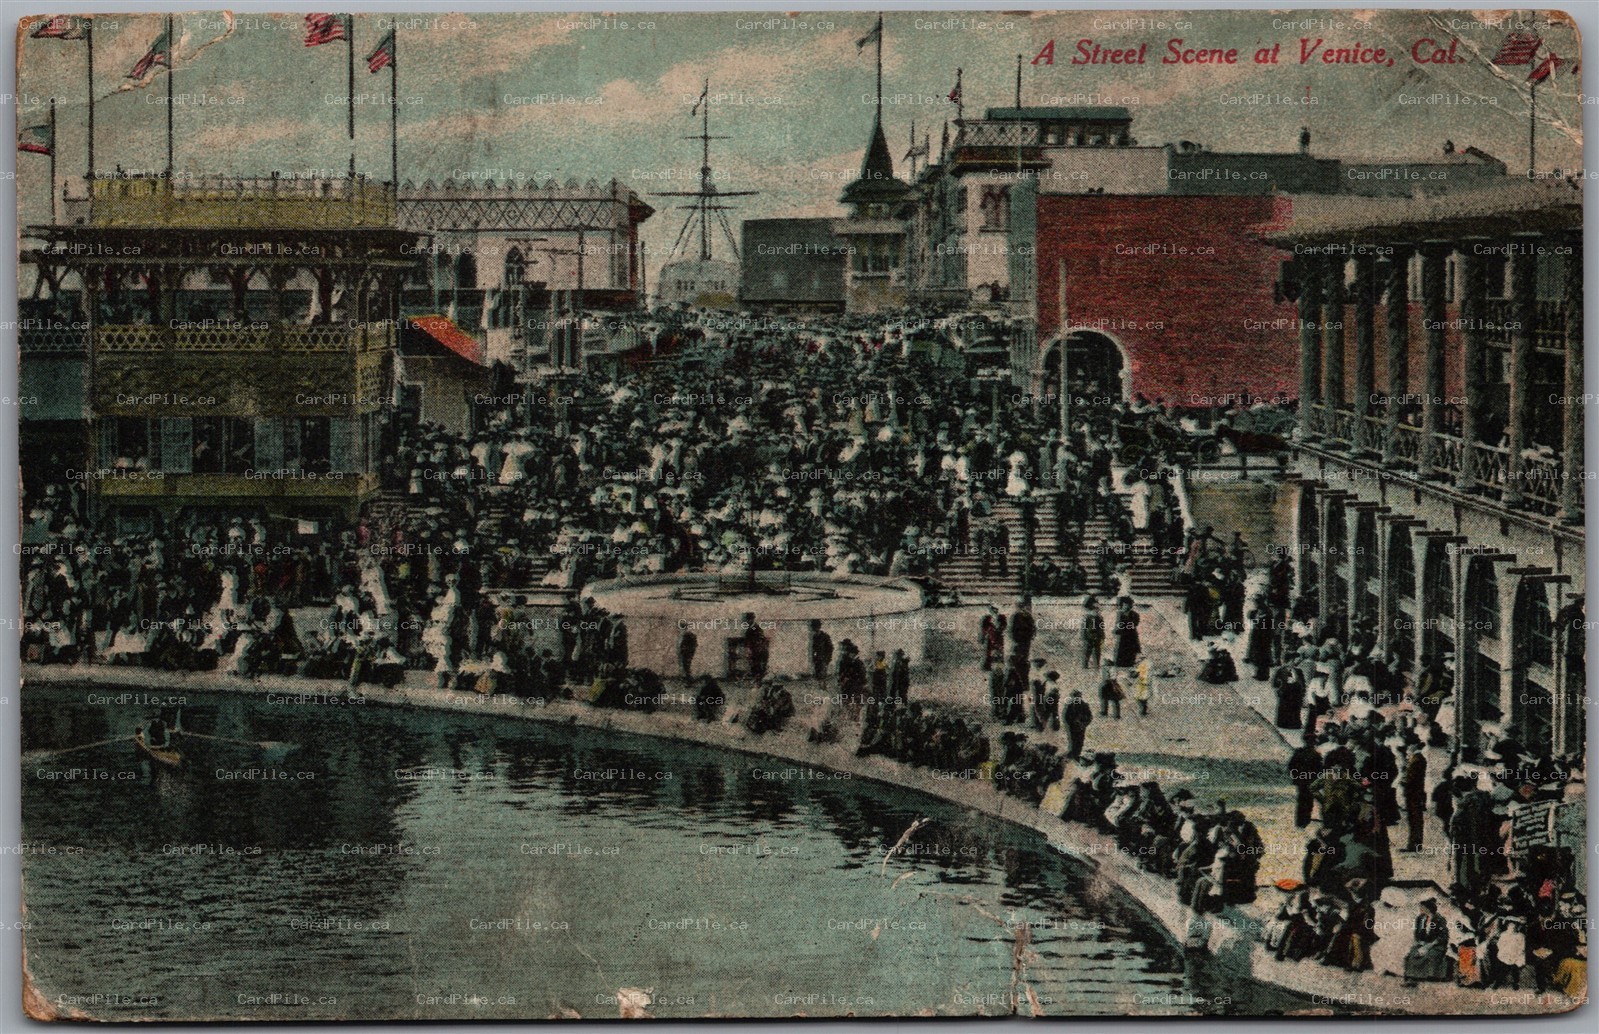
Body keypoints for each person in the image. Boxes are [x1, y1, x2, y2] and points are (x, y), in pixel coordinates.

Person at [1403, 898, 1453, 983]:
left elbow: (1443, 936)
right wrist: (1420, 943)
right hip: (1424, 944)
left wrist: (1429, 946)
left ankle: (1422, 977)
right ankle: (1411, 978)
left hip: (1437, 945)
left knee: (1429, 954)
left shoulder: (1439, 919)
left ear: (1428, 909)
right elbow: (1417, 934)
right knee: (1413, 953)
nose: (1420, 909)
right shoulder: (1420, 919)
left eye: (1422, 907)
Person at [1287, 732, 1324, 828]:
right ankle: (1305, 820)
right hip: (1310, 782)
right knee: (1308, 801)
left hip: (1301, 782)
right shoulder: (1316, 755)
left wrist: (1296, 777)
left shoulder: (1299, 752)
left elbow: (1291, 766)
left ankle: (1300, 821)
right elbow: (1320, 770)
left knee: (1302, 801)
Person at [1401, 742, 1427, 852]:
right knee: (1415, 819)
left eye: (1408, 752)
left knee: (1414, 819)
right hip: (1416, 793)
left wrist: (1403, 781)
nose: (1407, 754)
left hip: (1413, 794)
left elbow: (1409, 779)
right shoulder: (1419, 759)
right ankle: (1415, 844)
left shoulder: (1416, 761)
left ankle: (1414, 844)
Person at [1063, 689, 1093, 760]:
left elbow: (1089, 717)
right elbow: (1066, 716)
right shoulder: (1071, 705)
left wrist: (1083, 724)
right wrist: (1070, 723)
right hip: (1072, 726)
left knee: (1080, 740)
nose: (1077, 698)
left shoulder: (1084, 705)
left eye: (1078, 697)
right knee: (1073, 739)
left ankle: (1077, 754)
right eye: (1075, 697)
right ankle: (1073, 752)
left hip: (1081, 727)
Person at [1112, 596, 1140, 668]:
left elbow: (1134, 624)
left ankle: (1130, 663)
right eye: (1124, 604)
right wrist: (1117, 629)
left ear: (1130, 605)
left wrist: (1125, 625)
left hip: (1131, 635)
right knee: (1121, 649)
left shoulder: (1134, 614)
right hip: (1123, 636)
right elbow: (1118, 624)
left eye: (1127, 604)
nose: (1125, 606)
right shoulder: (1120, 614)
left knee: (1131, 649)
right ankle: (1120, 663)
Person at [1080, 595, 1104, 670]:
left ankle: (1096, 665)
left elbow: (1101, 628)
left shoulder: (1099, 618)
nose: (1097, 610)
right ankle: (1085, 666)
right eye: (1095, 609)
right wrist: (1084, 637)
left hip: (1097, 637)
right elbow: (1083, 628)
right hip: (1088, 637)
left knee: (1096, 651)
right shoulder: (1087, 617)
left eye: (1098, 609)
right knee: (1087, 651)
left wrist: (1102, 636)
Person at [809, 620, 833, 686]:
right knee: (818, 672)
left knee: (823, 672)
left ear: (819, 627)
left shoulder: (825, 636)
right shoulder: (815, 637)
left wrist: (828, 658)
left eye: (816, 627)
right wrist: (813, 657)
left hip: (824, 658)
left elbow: (830, 648)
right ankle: (820, 685)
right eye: (814, 628)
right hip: (817, 658)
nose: (815, 629)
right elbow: (814, 649)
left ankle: (824, 685)